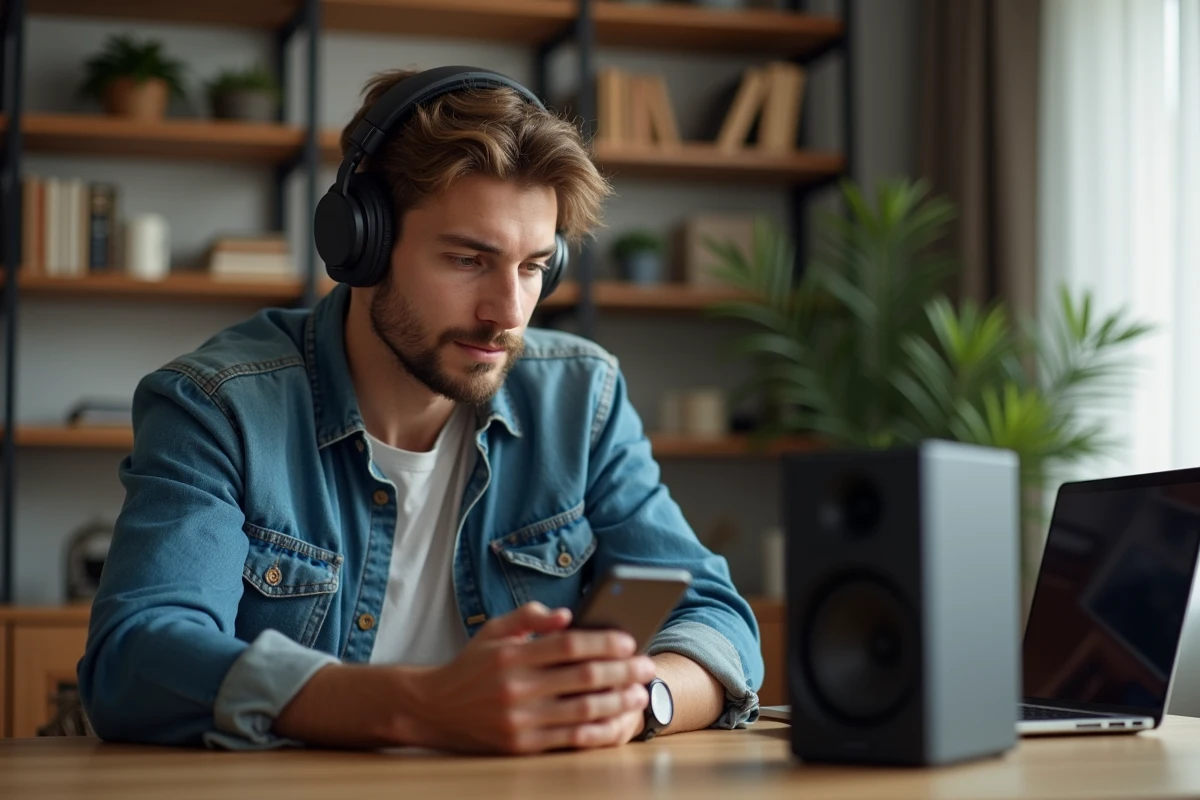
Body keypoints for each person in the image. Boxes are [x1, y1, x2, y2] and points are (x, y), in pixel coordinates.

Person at [77, 66, 763, 753]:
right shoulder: (217, 406)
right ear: (362, 244)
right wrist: (420, 706)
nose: (508, 314)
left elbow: (715, 615)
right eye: (468, 259)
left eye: (532, 267)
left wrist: (642, 701)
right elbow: (136, 661)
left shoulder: (582, 398)